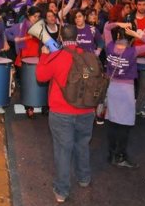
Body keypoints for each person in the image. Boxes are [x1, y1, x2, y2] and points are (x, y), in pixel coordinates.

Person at [36, 24, 95, 204]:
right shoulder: (88, 56)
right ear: (77, 37)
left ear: (60, 37)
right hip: (86, 110)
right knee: (82, 144)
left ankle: (62, 191)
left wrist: (44, 55)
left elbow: (40, 77)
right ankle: (84, 178)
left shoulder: (56, 56)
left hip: (61, 112)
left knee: (63, 150)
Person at [103, 23, 145, 169]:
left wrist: (118, 24)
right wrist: (139, 35)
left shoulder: (109, 46)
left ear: (118, 35)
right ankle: (120, 156)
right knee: (125, 124)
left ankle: (112, 154)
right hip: (125, 90)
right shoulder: (132, 51)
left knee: (113, 122)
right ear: (130, 36)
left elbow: (107, 28)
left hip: (112, 88)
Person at [124, 0, 145, 118]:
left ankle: (138, 109)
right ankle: (128, 109)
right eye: (139, 4)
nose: (142, 7)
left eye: (144, 4)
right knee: (128, 85)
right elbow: (123, 36)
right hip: (132, 55)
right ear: (135, 5)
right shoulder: (129, 18)